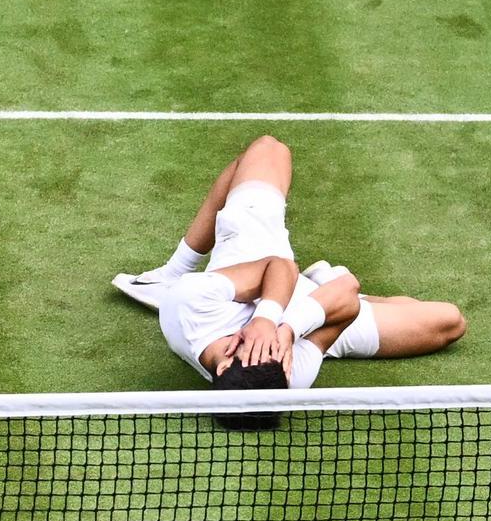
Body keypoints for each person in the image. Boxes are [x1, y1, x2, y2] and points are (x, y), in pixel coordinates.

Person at [113, 136, 467, 397]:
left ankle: (172, 270)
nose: (271, 353)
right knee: (448, 323)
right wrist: (289, 333)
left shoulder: (187, 303)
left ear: (223, 366)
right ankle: (320, 282)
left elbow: (280, 265)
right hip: (310, 318)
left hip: (252, 260)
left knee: (268, 149)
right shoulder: (290, 375)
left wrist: (266, 320)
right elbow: (349, 293)